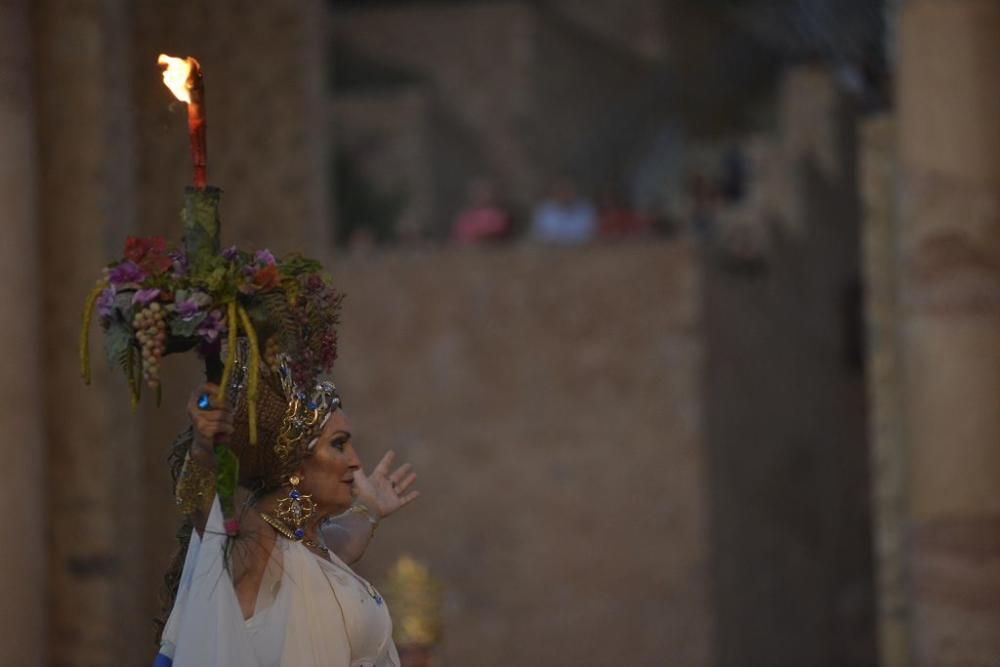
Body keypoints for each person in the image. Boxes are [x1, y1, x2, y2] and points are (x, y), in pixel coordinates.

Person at [155, 345, 418, 666]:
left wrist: (369, 509)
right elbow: (210, 523)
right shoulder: (260, 553)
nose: (355, 462)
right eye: (339, 445)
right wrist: (202, 449)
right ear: (296, 463)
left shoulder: (311, 551)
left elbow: (346, 537)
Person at [530, 178, 597, 244]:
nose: (565, 194)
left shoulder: (585, 209)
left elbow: (592, 235)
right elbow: (539, 236)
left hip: (582, 251)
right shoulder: (545, 210)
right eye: (561, 191)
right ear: (555, 192)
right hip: (551, 250)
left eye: (568, 191)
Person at [451, 179, 511, 244]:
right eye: (476, 192)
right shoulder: (465, 216)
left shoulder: (498, 215)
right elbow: (457, 238)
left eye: (484, 191)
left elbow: (495, 235)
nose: (480, 195)